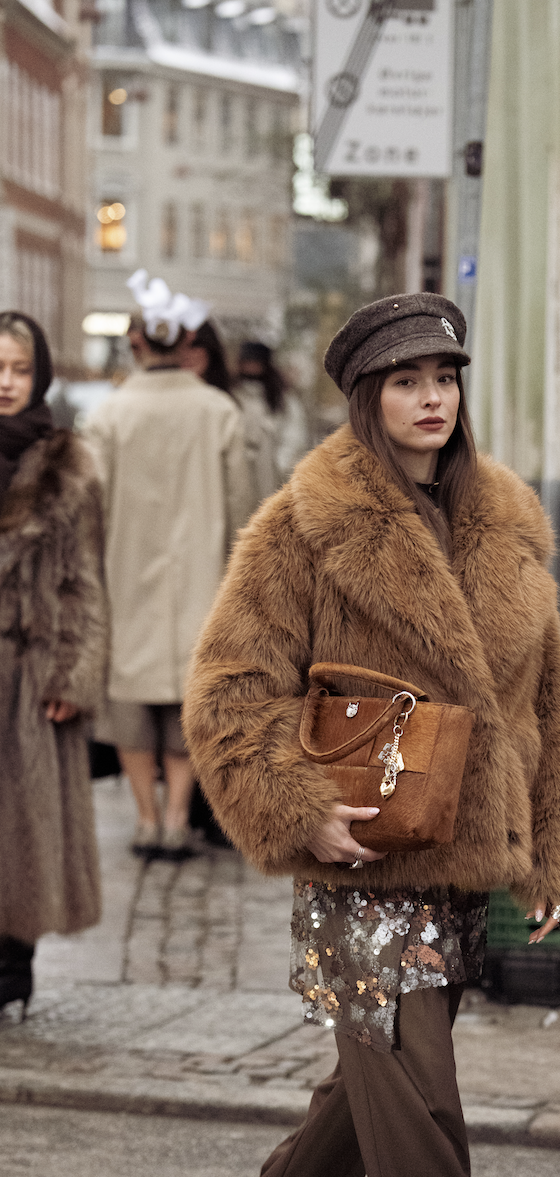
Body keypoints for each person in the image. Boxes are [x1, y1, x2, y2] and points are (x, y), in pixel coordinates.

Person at [183, 293, 560, 1177]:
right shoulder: (302, 525)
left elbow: (544, 709)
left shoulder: (504, 520)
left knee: (377, 1083)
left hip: (459, 859)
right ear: (365, 396)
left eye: (445, 378)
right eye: (407, 380)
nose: (431, 398)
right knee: (419, 1095)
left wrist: (555, 845)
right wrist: (294, 809)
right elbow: (228, 691)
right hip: (357, 860)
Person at [83, 271, 251, 861]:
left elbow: (91, 506)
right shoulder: (219, 412)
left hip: (125, 573)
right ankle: (180, 814)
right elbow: (242, 509)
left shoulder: (107, 416)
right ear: (185, 344)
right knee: (189, 700)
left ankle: (146, 818)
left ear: (136, 344)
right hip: (203, 577)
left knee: (128, 699)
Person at [0, 312, 109, 1019]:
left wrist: (73, 675)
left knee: (25, 824)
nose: (4, 383)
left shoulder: (66, 464)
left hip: (27, 673)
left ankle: (13, 961)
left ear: (38, 375)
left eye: (17, 369)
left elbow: (82, 581)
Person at [235, 340, 308, 510]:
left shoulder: (283, 401)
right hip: (239, 472)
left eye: (255, 362)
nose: (251, 367)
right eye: (247, 362)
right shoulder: (233, 396)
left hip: (271, 478)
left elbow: (294, 438)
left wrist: (278, 465)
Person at [181, 320, 234, 397]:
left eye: (194, 345)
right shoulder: (160, 398)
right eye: (178, 348)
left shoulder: (229, 400)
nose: (185, 355)